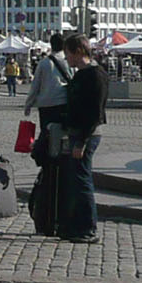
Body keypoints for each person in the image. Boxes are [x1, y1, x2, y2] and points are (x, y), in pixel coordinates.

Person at [56, 31, 107, 242]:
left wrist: (83, 142)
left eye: (68, 54)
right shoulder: (80, 74)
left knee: (83, 180)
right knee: (76, 181)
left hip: (87, 134)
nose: (66, 58)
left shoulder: (95, 75)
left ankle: (88, 227)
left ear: (78, 52)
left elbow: (94, 112)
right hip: (76, 132)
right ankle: (75, 225)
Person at [21, 37, 72, 237]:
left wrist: (28, 104)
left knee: (47, 138)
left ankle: (47, 159)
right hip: (64, 106)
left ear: (51, 45)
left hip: (46, 107)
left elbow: (36, 85)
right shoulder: (68, 62)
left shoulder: (44, 63)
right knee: (61, 141)